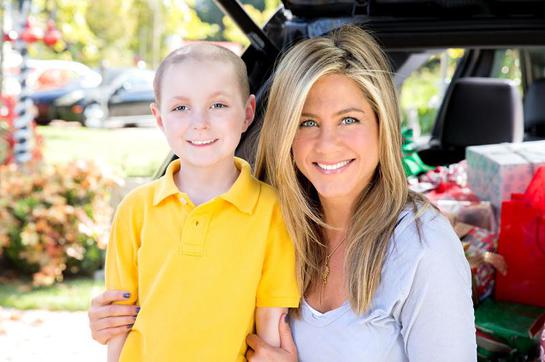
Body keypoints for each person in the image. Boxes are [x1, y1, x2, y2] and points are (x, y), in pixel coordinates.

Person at [89, 26, 476, 361]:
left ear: (383, 124)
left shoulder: (423, 250)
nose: (327, 144)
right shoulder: (276, 215)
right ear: (285, 131)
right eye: (307, 121)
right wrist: (118, 319)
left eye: (349, 119)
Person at [103, 43, 300, 362]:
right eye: (180, 108)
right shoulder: (135, 209)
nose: (200, 122)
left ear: (248, 113)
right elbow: (118, 323)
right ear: (159, 117)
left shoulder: (272, 211)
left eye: (218, 105)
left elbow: (270, 327)